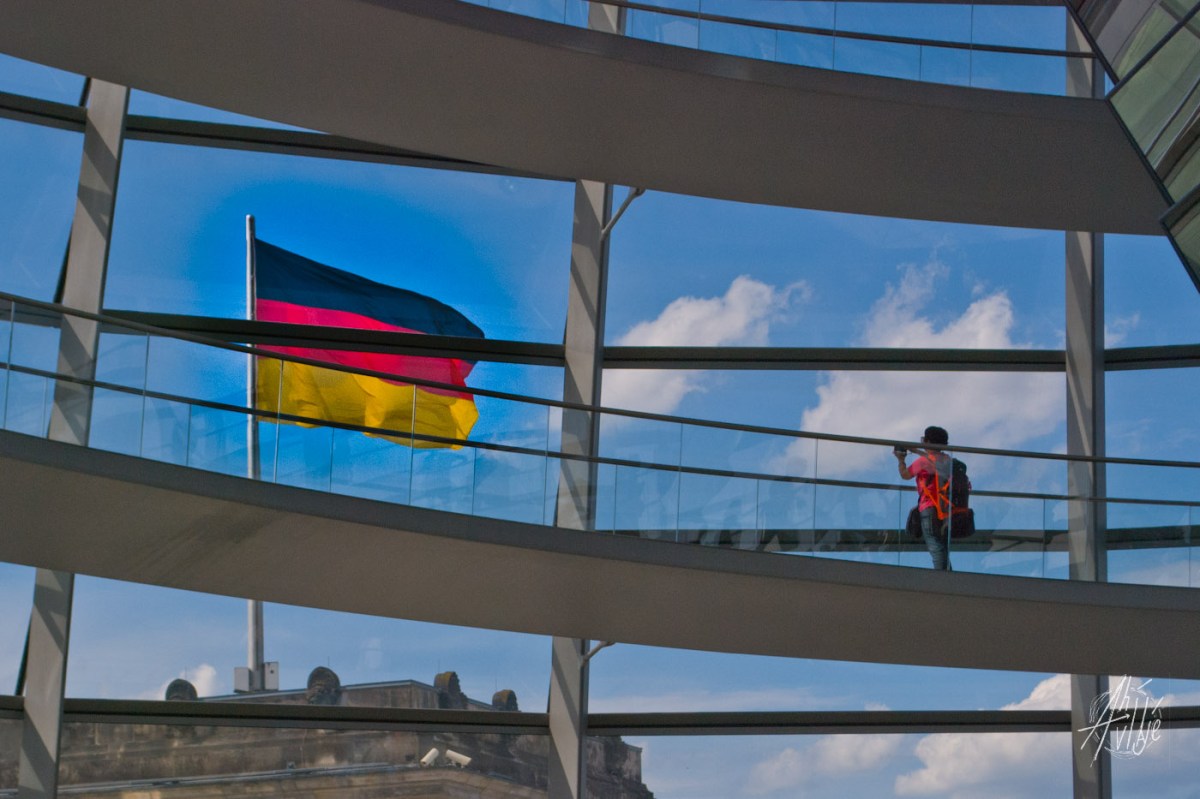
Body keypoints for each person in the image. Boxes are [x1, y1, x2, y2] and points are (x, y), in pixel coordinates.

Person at [895, 425, 952, 570]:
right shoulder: (947, 459)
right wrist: (916, 450)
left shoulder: (923, 462)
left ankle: (942, 579)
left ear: (927, 441)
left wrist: (901, 460)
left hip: (929, 507)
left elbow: (905, 475)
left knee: (935, 545)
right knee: (943, 546)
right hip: (946, 508)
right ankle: (949, 576)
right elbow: (931, 458)